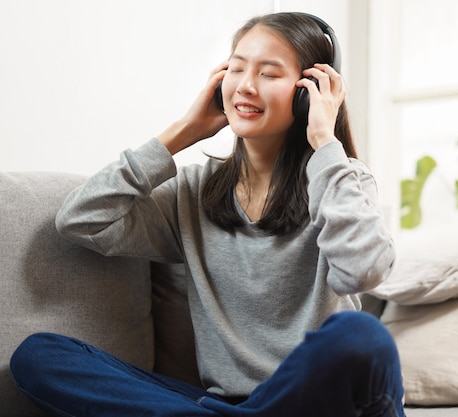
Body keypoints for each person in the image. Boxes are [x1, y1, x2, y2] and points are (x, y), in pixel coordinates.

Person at [10, 11, 404, 417]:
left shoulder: (341, 180)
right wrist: (184, 129)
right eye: (236, 68)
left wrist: (324, 139)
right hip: (222, 403)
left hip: (316, 400)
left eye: (269, 74)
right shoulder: (194, 191)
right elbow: (81, 219)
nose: (246, 86)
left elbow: (362, 270)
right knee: (40, 355)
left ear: (311, 92)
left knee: (361, 336)